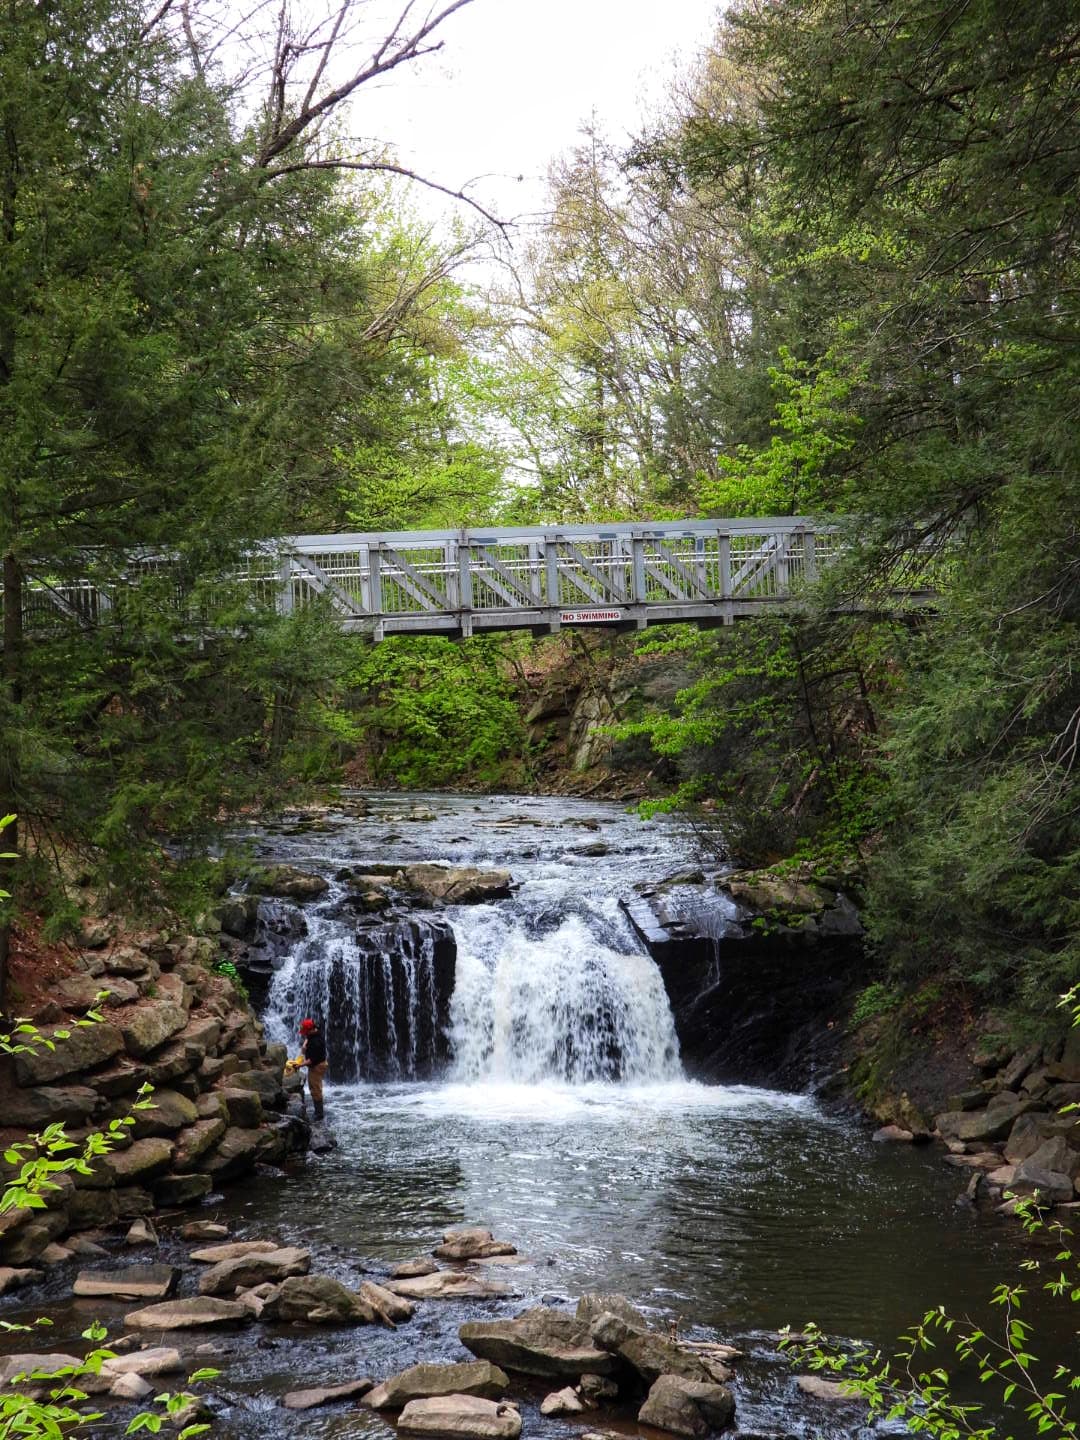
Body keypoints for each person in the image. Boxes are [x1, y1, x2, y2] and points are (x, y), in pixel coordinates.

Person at [298, 1017, 328, 1121]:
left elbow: (312, 1060)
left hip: (317, 1066)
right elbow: (308, 1037)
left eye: (305, 1032)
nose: (304, 1034)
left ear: (309, 1030)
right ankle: (318, 1112)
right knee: (314, 1087)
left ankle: (319, 1114)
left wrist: (299, 1065)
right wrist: (304, 1045)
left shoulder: (316, 1042)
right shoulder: (315, 1032)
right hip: (317, 1064)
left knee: (315, 1089)